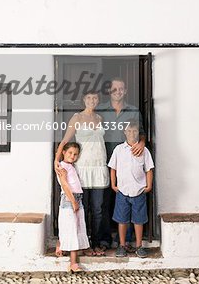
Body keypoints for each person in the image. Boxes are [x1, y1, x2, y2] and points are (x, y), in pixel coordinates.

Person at [54, 90, 109, 256]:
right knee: (80, 208)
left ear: (98, 100)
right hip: (82, 169)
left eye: (95, 97)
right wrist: (57, 160)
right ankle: (82, 244)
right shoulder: (77, 118)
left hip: (99, 167)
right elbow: (65, 141)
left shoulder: (100, 118)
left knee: (98, 208)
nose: (92, 100)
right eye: (89, 97)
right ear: (84, 99)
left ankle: (96, 243)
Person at [97, 77, 146, 250]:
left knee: (129, 198)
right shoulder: (100, 109)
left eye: (121, 89)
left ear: (125, 91)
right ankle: (103, 240)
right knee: (104, 201)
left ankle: (125, 240)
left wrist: (141, 143)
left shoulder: (133, 111)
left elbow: (141, 133)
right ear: (109, 91)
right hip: (103, 160)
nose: (118, 92)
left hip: (128, 164)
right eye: (114, 89)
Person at [108, 119, 154, 258]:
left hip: (139, 191)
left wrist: (149, 185)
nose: (132, 133)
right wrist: (113, 184)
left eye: (134, 131)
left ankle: (139, 246)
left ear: (138, 133)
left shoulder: (144, 150)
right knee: (122, 220)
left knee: (138, 220)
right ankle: (121, 245)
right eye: (129, 131)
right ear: (124, 132)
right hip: (122, 191)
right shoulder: (118, 150)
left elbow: (149, 169)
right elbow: (113, 168)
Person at [57, 142, 90, 272]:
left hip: (77, 199)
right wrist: (73, 202)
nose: (73, 156)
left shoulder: (71, 166)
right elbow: (65, 185)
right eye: (70, 153)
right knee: (71, 229)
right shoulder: (62, 167)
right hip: (69, 199)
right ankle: (73, 263)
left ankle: (62, 245)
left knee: (76, 226)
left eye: (75, 154)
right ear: (63, 152)